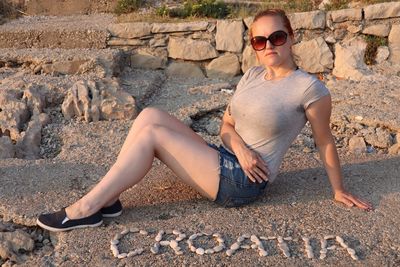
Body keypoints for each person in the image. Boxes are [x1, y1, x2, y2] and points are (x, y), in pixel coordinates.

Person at [37, 9, 372, 232]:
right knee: (150, 115)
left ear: (292, 37)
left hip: (245, 183)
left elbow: (325, 140)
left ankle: (86, 207)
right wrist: (239, 146)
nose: (269, 45)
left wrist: (339, 190)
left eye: (277, 37)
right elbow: (227, 127)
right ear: (254, 46)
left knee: (153, 135)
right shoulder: (253, 75)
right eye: (260, 40)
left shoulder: (309, 88)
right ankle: (107, 201)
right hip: (229, 157)